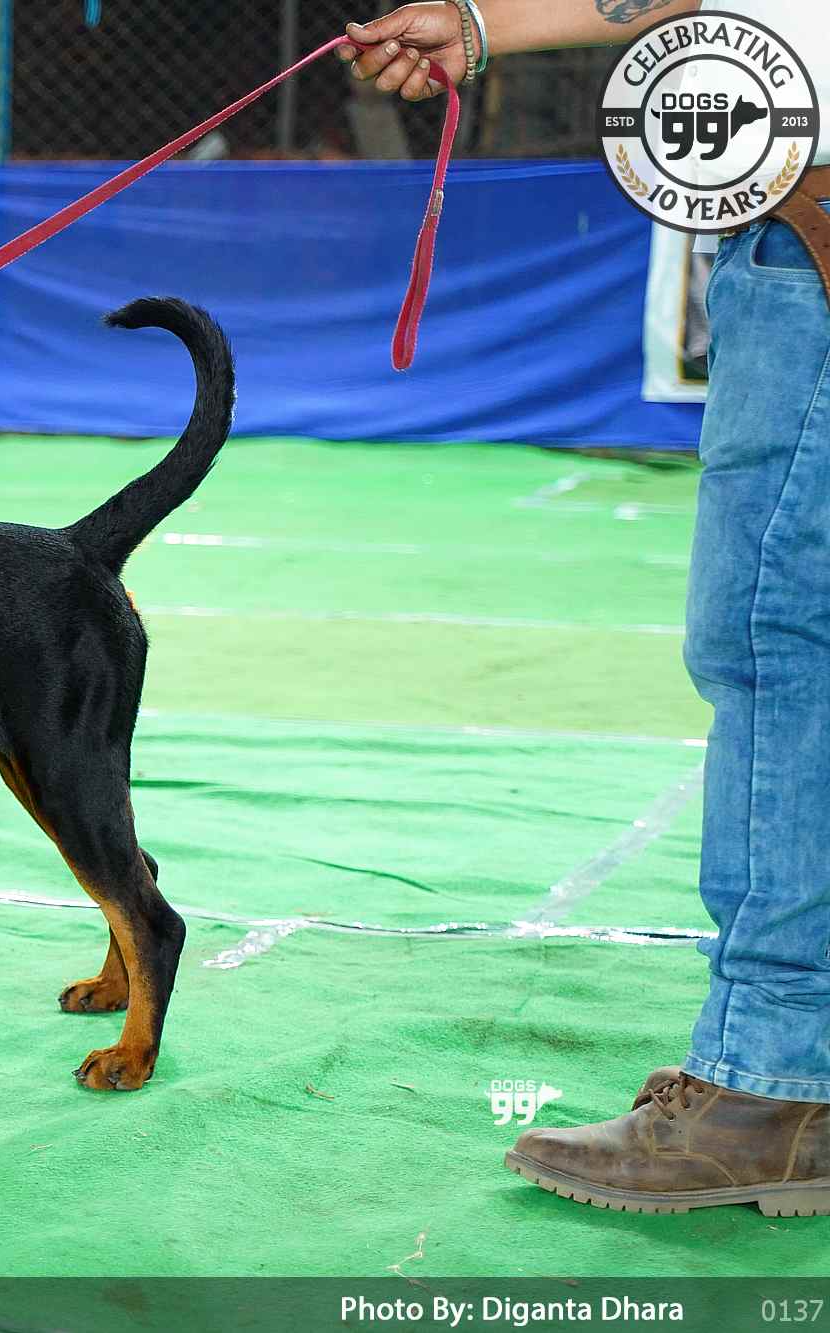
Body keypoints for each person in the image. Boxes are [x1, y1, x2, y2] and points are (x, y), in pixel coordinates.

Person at [344, 0, 829, 1216]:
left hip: (813, 233)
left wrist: (477, 22)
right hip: (792, 217)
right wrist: (476, 24)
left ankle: (772, 1088)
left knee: (776, 645)